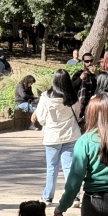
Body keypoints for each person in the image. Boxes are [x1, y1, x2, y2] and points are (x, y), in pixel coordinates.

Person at [33, 70, 83, 203]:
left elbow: (41, 118)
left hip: (52, 136)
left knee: (52, 167)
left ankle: (48, 196)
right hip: (71, 135)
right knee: (69, 167)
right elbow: (77, 115)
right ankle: (75, 196)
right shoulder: (73, 97)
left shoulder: (46, 97)